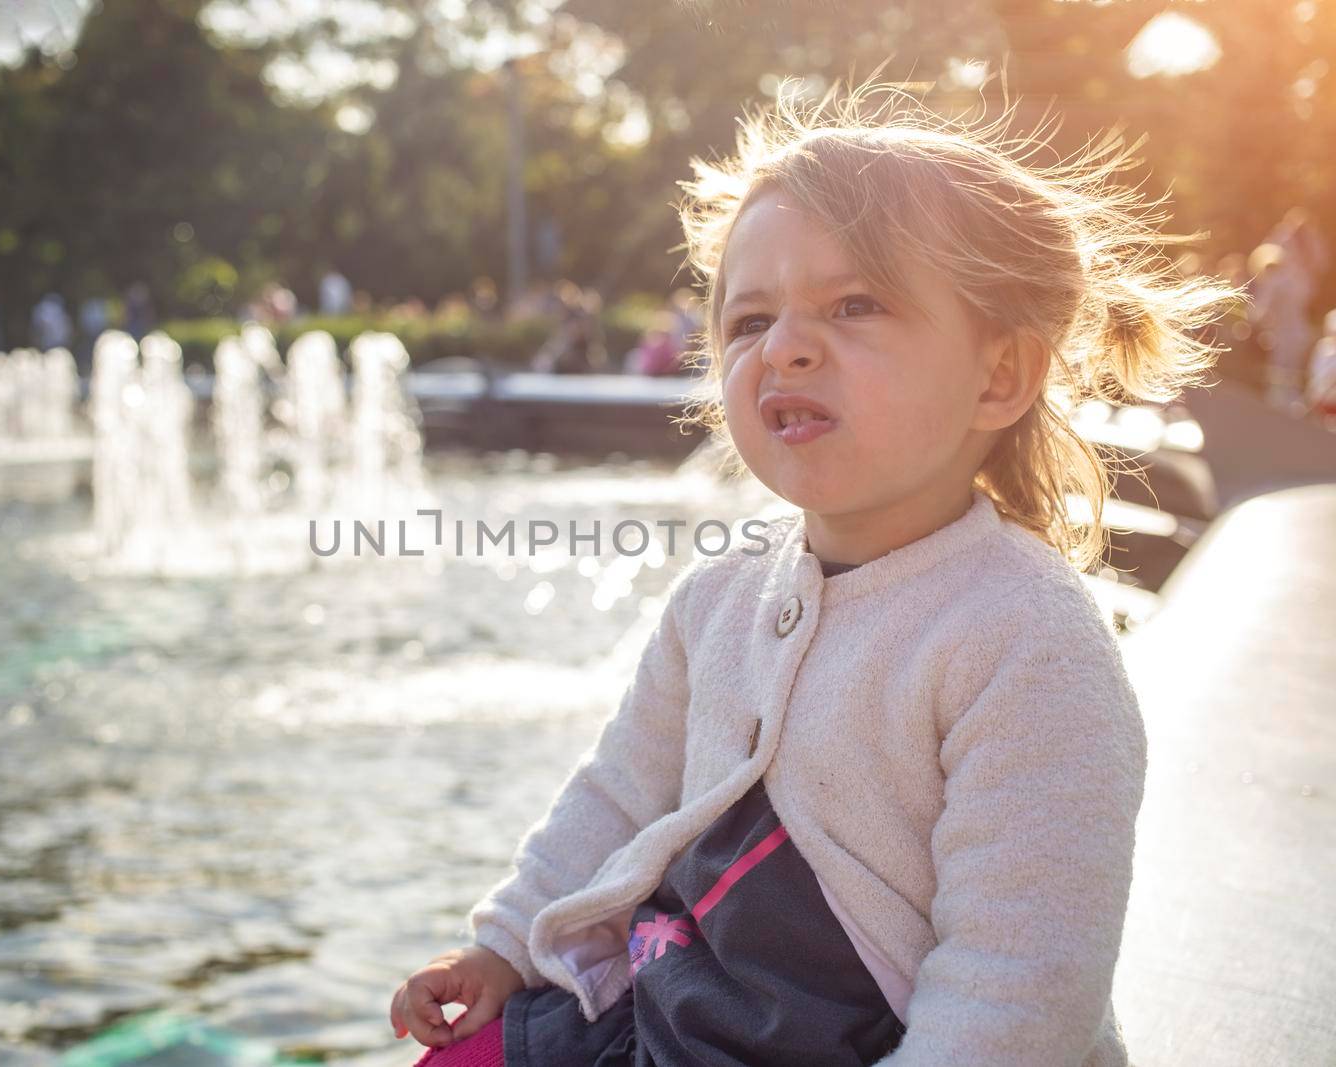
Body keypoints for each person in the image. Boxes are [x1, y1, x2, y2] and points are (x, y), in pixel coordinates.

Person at [389, 80, 1240, 1066]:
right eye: (749, 321)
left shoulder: (1022, 637)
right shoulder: (720, 594)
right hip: (685, 1013)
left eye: (854, 304)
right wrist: (502, 946)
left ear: (999, 375)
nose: (784, 347)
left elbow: (1020, 978)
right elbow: (617, 792)